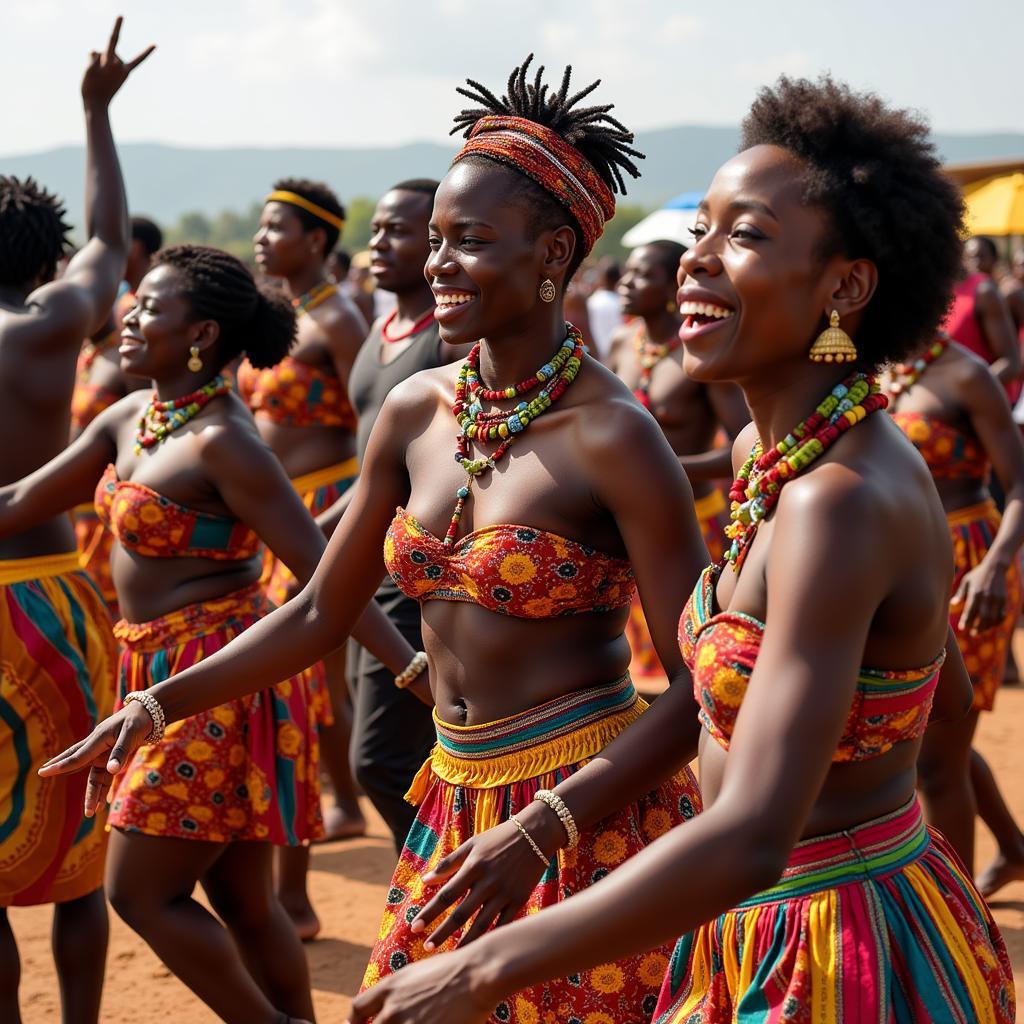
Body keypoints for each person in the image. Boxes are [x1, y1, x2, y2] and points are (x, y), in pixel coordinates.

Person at [41, 56, 708, 1023]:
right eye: (435, 238)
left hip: (586, 818)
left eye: (469, 240)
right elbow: (319, 609)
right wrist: (154, 707)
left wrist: (543, 829)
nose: (436, 263)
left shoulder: (613, 434)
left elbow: (703, 683)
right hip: (451, 803)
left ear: (554, 253)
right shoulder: (413, 411)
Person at [343, 75, 1015, 1024]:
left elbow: (752, 834)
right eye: (700, 228)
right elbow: (927, 700)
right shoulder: (768, 455)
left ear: (846, 287)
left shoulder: (840, 500)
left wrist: (481, 963)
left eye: (742, 237)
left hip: (837, 952)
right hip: (747, 927)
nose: (695, 261)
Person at [7, 243, 414, 1024]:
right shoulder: (134, 415)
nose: (126, 320)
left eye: (149, 309)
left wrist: (407, 666)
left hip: (220, 678)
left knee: (140, 890)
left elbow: (326, 572)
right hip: (147, 666)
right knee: (243, 900)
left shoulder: (224, 442)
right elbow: (22, 498)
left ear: (199, 336)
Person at [0, 22, 152, 1024]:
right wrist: (96, 114)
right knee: (81, 850)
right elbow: (109, 240)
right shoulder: (55, 324)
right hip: (50, 599)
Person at [316, 178, 465, 854]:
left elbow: (422, 469)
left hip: (412, 569)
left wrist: (326, 532)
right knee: (398, 746)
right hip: (365, 560)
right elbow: (374, 460)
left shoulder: (450, 343)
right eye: (376, 230)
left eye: (401, 231)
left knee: (377, 757)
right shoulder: (379, 330)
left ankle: (448, 886)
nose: (380, 244)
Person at [244, 178, 369, 938]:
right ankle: (340, 797)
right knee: (306, 670)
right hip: (274, 513)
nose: (262, 238)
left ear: (317, 240)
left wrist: (346, 519)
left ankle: (343, 803)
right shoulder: (276, 317)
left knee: (309, 668)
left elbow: (379, 422)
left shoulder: (339, 321)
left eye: (276, 226)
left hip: (323, 510)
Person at [886, 335, 1024, 890]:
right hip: (895, 560)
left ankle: (955, 920)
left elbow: (1019, 484)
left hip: (968, 565)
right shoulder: (870, 362)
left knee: (937, 754)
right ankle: (1013, 849)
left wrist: (996, 565)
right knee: (931, 742)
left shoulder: (965, 375)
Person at [609, 240, 750, 679]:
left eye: (644, 274)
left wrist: (666, 467)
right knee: (633, 658)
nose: (627, 284)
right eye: (628, 272)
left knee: (691, 653)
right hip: (625, 521)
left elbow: (745, 448)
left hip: (693, 520)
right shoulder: (619, 343)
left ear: (674, 287)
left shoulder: (702, 353)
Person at [71, 215, 162, 617]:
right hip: (76, 514)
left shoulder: (128, 360)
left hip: (114, 517)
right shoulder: (82, 353)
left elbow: (150, 439)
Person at [945, 236, 1020, 395]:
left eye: (981, 257)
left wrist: (966, 396)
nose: (976, 263)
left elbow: (1012, 362)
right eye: (971, 257)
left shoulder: (998, 292)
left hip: (987, 400)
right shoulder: (942, 292)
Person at [585, 255, 623, 361]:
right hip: (616, 356)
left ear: (603, 277)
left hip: (596, 357)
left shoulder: (592, 302)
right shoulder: (623, 303)